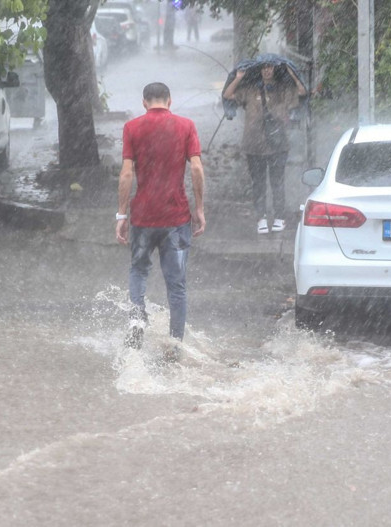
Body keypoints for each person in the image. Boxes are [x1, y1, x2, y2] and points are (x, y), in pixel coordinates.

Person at [115, 82, 206, 358]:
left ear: (144, 102)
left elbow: (126, 174)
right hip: (176, 218)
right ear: (170, 101)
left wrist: (121, 214)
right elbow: (197, 168)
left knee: (138, 270)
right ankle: (175, 345)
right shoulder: (186, 126)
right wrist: (199, 208)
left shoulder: (132, 128)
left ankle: (137, 317)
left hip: (143, 217)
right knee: (176, 285)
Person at [223, 60, 307, 234]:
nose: (267, 70)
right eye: (264, 67)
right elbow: (228, 95)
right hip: (253, 145)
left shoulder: (282, 88)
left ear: (275, 69)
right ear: (259, 70)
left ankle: (279, 217)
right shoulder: (250, 89)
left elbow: (301, 92)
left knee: (277, 183)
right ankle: (261, 217)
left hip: (278, 144)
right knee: (258, 183)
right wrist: (238, 78)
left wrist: (293, 75)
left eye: (270, 67)